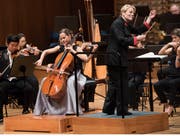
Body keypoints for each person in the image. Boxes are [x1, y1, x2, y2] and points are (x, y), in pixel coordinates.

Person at [102, 4, 156, 116]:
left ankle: (108, 109)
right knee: (120, 84)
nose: (132, 14)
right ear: (123, 13)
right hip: (115, 58)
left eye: (133, 12)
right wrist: (137, 39)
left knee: (114, 85)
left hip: (118, 58)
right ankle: (122, 110)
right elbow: (122, 40)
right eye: (129, 12)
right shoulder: (117, 24)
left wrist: (149, 19)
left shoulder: (125, 24)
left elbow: (138, 30)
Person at [33, 28, 98, 115]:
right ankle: (43, 108)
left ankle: (71, 109)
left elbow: (85, 59)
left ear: (70, 36)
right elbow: (45, 51)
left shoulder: (76, 48)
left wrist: (72, 51)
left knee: (71, 82)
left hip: (75, 73)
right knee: (44, 81)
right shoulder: (60, 47)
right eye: (61, 39)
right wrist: (41, 59)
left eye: (64, 38)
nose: (63, 40)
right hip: (61, 73)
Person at [0, 34, 36, 122]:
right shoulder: (1, 54)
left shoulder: (19, 54)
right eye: (12, 45)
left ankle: (26, 109)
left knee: (29, 87)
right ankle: (0, 116)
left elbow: (26, 68)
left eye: (16, 45)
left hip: (16, 80)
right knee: (0, 89)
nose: (14, 48)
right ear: (7, 44)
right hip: (4, 80)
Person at [154, 28, 180, 116]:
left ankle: (171, 106)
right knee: (157, 85)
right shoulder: (173, 48)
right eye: (172, 38)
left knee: (172, 83)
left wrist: (178, 54)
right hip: (172, 75)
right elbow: (160, 53)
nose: (173, 40)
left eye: (175, 38)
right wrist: (168, 44)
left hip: (178, 76)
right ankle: (165, 103)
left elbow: (177, 66)